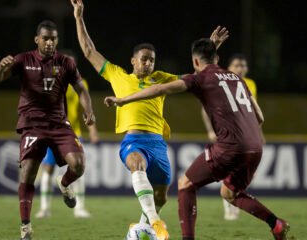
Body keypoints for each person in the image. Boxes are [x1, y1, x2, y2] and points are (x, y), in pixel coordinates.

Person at [69, 1, 228, 239]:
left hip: (158, 144)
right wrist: (79, 18)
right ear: (133, 61)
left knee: (161, 196)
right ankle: (155, 222)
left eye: (151, 60)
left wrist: (210, 47)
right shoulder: (118, 75)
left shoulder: (162, 78)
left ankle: (142, 227)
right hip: (133, 140)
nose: (148, 63)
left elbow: (197, 76)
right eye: (144, 59)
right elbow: (89, 51)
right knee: (136, 163)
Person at [104, 38, 290, 240]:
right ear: (217, 58)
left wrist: (123, 100)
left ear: (195, 62)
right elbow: (260, 117)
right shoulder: (238, 78)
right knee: (230, 193)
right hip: (255, 146)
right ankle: (276, 224)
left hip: (230, 145)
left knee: (185, 185)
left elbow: (160, 89)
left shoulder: (200, 78)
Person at [0, 20, 96, 240]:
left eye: (53, 38)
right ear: (37, 39)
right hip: (32, 124)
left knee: (79, 165)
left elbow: (81, 89)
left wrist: (89, 111)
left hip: (59, 124)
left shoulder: (66, 62)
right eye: (45, 38)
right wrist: (2, 67)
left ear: (57, 40)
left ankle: (64, 183)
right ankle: (26, 226)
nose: (49, 42)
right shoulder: (23, 59)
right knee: (28, 171)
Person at [35, 51, 99, 219]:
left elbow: (86, 108)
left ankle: (80, 208)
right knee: (47, 169)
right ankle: (44, 208)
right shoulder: (51, 82)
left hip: (73, 131)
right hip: (52, 131)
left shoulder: (81, 83)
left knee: (78, 169)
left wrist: (92, 129)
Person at [201, 54, 257, 220]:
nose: (240, 69)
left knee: (245, 170)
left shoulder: (250, 84)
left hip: (246, 134)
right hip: (227, 133)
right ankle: (229, 201)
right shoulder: (221, 82)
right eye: (237, 65)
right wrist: (211, 130)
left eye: (243, 65)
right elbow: (205, 108)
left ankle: (231, 198)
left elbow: (252, 111)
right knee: (230, 166)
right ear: (229, 68)